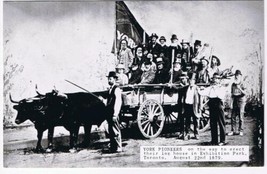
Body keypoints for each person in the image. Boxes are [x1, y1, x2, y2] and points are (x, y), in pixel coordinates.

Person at [198, 73, 226, 146]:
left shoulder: (222, 88)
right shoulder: (210, 88)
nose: (215, 80)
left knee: (221, 123)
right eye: (214, 78)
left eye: (217, 79)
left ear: (219, 80)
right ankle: (214, 140)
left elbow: (220, 96)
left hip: (218, 104)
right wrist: (199, 88)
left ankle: (222, 140)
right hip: (212, 105)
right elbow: (202, 93)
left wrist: (215, 88)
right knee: (213, 123)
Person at [105, 71, 123, 153]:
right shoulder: (110, 89)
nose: (109, 80)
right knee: (110, 130)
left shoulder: (117, 89)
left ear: (115, 79)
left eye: (110, 79)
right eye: (108, 79)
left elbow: (118, 102)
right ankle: (113, 146)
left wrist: (115, 114)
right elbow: (109, 102)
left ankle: (119, 147)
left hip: (114, 113)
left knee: (116, 130)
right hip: (109, 113)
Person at [227, 70, 246, 136]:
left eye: (238, 75)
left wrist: (240, 88)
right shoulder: (233, 84)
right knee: (233, 116)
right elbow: (232, 94)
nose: (237, 76)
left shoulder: (243, 83)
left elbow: (245, 93)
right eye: (236, 75)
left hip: (241, 100)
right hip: (235, 99)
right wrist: (231, 103)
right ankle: (233, 130)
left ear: (240, 76)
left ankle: (241, 130)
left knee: (241, 116)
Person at [183, 74, 199, 140]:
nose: (191, 82)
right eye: (190, 81)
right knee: (187, 121)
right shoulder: (186, 88)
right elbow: (179, 89)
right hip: (187, 106)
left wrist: (200, 108)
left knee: (196, 121)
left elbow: (200, 99)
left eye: (192, 81)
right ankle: (187, 134)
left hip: (194, 106)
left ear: (194, 81)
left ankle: (196, 134)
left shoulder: (197, 88)